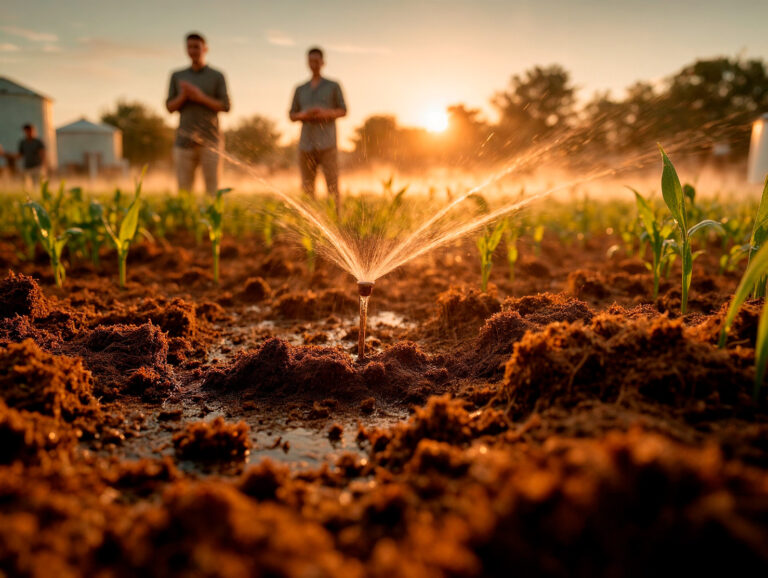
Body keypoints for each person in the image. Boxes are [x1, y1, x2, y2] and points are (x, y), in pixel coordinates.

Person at [166, 32, 230, 196]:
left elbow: (226, 106)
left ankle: (212, 220)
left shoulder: (217, 76)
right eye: (189, 47)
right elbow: (169, 107)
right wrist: (183, 96)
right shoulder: (177, 76)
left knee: (212, 191)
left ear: (205, 49)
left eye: (196, 47)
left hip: (210, 141)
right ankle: (186, 221)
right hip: (183, 142)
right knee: (184, 192)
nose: (193, 50)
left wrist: (200, 97)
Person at [289, 47, 347, 209]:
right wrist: (305, 115)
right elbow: (292, 115)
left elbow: (343, 110)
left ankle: (336, 222)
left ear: (323, 62)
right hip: (306, 145)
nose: (313, 64)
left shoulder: (333, 86)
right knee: (307, 189)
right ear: (307, 63)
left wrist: (325, 113)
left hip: (328, 144)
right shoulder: (300, 89)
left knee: (333, 187)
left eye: (316, 61)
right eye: (310, 61)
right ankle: (311, 224)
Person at [18, 124, 46, 190]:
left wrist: (44, 165)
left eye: (30, 131)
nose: (28, 132)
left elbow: (43, 154)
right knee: (26, 186)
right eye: (27, 131)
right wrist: (5, 154)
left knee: (37, 186)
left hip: (37, 167)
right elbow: (19, 155)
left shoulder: (38, 142)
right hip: (27, 167)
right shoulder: (23, 142)